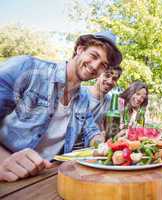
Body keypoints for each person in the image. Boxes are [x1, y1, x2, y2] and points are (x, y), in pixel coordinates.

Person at [0, 31, 122, 182]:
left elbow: (91, 133)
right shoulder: (28, 68)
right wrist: (4, 160)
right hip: (9, 177)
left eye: (103, 65)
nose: (95, 66)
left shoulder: (83, 99)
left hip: (49, 176)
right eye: (94, 55)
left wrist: (104, 143)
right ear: (80, 49)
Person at [72, 65, 122, 149]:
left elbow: (107, 130)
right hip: (69, 147)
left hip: (92, 147)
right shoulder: (80, 93)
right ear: (98, 76)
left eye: (114, 79)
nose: (110, 81)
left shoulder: (111, 102)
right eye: (107, 75)